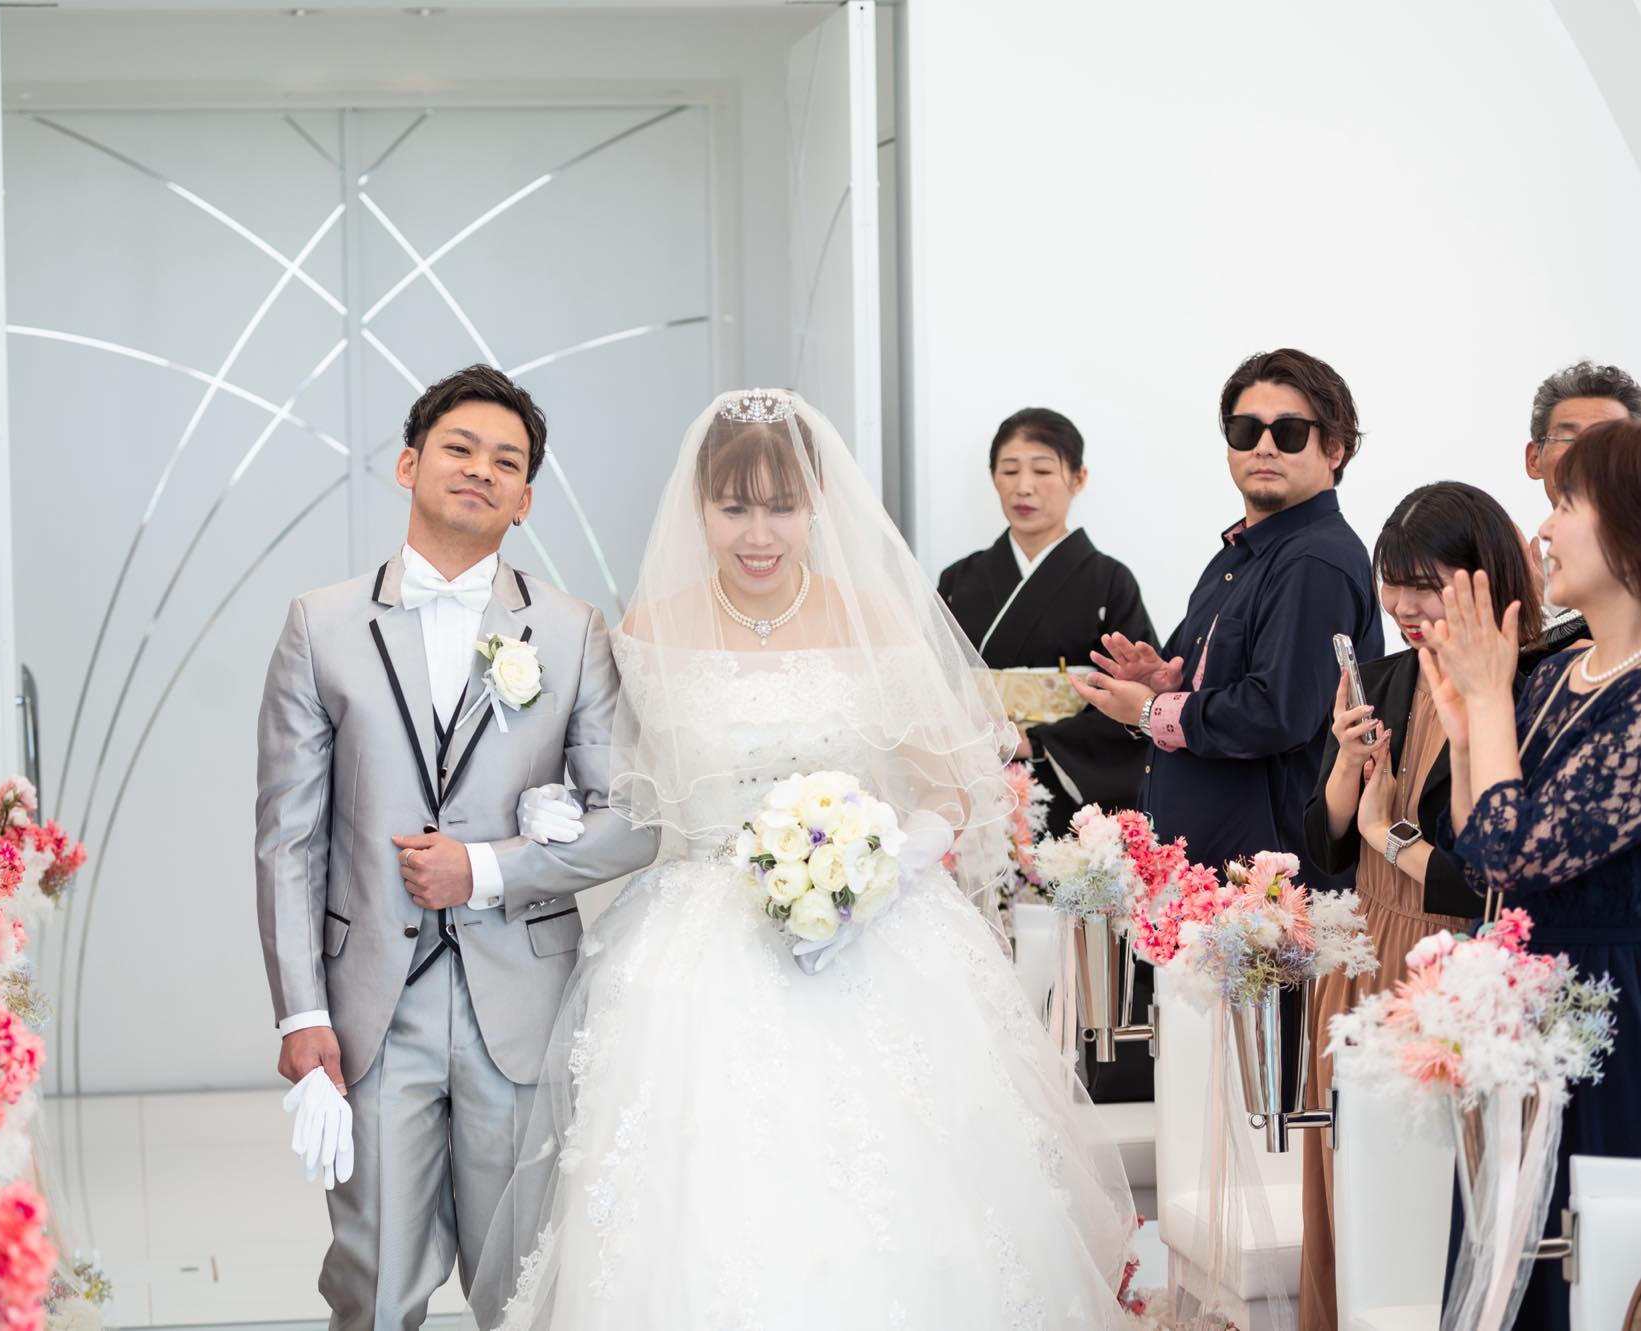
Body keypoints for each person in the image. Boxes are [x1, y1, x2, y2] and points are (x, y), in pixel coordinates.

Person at [472, 389, 1137, 1328]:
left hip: (876, 933)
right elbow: (627, 788)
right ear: (698, 506)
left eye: (781, 507)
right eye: (734, 507)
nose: (758, 534)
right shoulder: (649, 628)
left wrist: (883, 873)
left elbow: (951, 788)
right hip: (699, 942)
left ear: (816, 505)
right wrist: (549, 807)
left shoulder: (873, 618)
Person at [255, 365, 661, 1330]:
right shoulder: (321, 623)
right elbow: (287, 835)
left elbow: (634, 820)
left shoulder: (570, 631)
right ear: (409, 464)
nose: (480, 469)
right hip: (370, 1008)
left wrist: (486, 868)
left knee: (521, 1279)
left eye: (506, 462)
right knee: (373, 1279)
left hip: (521, 1001)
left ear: (525, 500)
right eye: (460, 448)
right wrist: (299, 1011)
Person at [1295, 481, 1540, 1331]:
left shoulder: (1521, 686)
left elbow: (1488, 877)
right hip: (1364, 954)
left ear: (1484, 578)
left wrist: (1389, 834)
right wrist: (1343, 762)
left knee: (1428, 1213)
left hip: (1448, 969)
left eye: (1424, 585)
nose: (1401, 606)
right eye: (1391, 583)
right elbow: (1327, 844)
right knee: (1350, 1208)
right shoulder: (1381, 676)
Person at [1425, 418, 1641, 1331]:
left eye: (1564, 504)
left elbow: (1516, 850)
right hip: (1525, 995)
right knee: (1505, 1254)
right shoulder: (1557, 674)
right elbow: (1478, 850)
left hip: (1608, 1008)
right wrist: (1467, 730)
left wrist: (1486, 699)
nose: (1542, 529)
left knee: (1583, 1270)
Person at [1074, 348, 1382, 889]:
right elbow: (1222, 690)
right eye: (1245, 430)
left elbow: (1277, 713)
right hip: (1216, 882)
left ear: (1334, 448)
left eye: (1289, 432)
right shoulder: (1241, 553)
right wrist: (1165, 684)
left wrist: (1150, 710)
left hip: (1270, 890)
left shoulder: (1314, 561)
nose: (1264, 446)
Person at [937, 407, 1157, 832]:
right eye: (1009, 470)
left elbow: (1135, 694)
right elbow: (931, 683)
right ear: (994, 478)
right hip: (977, 777)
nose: (1024, 486)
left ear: (1078, 478)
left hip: (1072, 790)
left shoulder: (1109, 582)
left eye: (1042, 470)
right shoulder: (957, 580)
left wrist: (1031, 742)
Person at [1520, 360, 1641, 664]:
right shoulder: (1515, 585)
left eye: (1606, 441)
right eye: (1570, 438)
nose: (1587, 458)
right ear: (1534, 459)